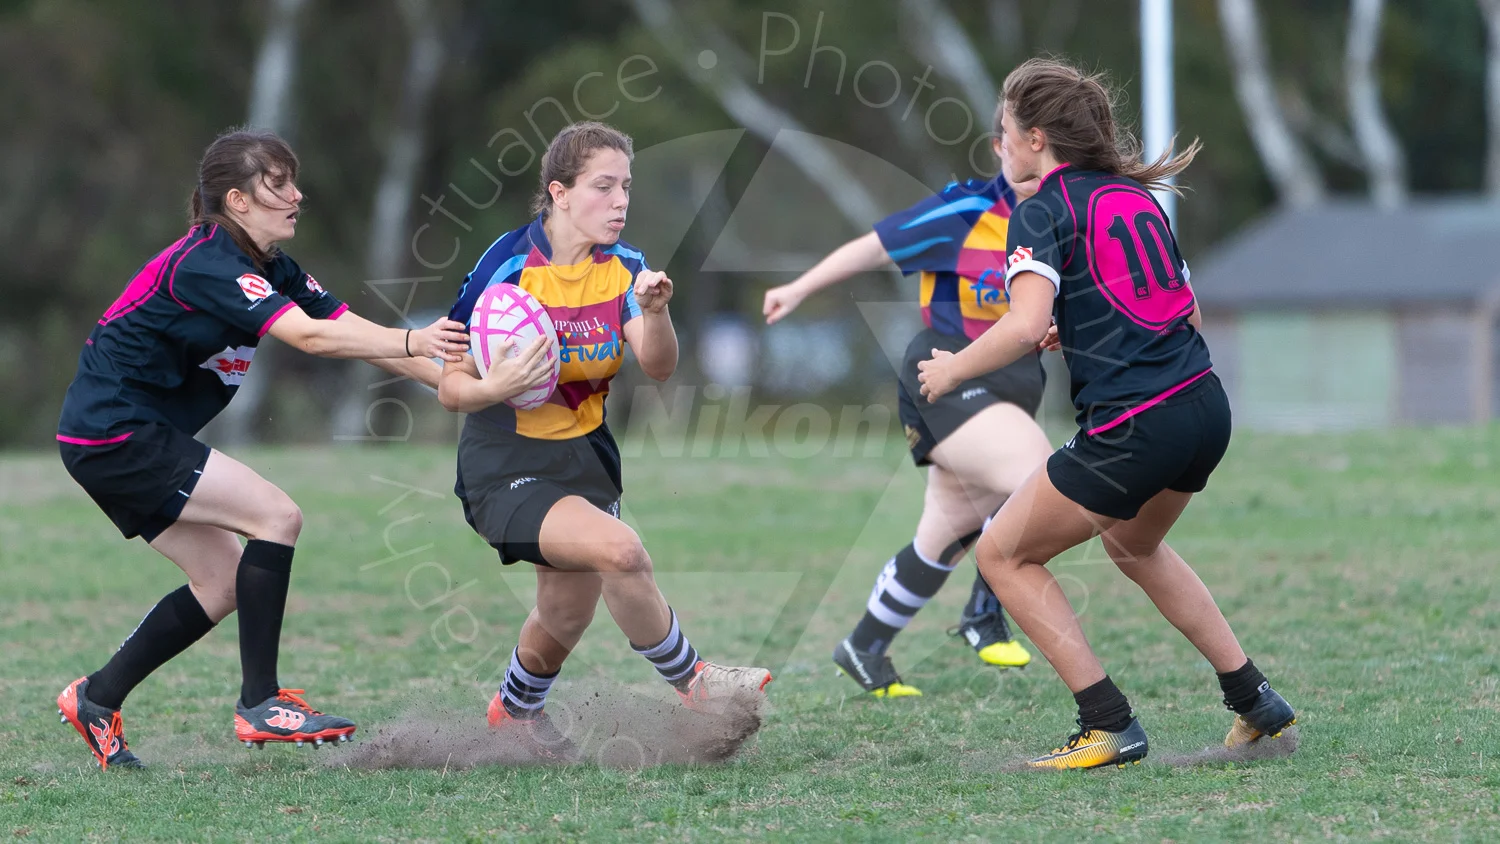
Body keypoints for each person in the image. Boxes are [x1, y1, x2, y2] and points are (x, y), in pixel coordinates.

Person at [917, 58, 1297, 769]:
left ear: (1034, 138)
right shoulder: (1134, 198)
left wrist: (952, 367)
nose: (998, 149)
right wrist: (1087, 326)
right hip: (1204, 407)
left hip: (1137, 424)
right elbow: (1181, 309)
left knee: (1004, 555)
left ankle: (1107, 722)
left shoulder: (1040, 209)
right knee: (1134, 545)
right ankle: (1255, 699)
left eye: (1003, 134)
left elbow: (1025, 327)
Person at [54, 128, 470, 771]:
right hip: (115, 430)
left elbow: (347, 329)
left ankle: (97, 698)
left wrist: (462, 384)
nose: (297, 195)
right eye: (279, 184)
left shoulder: (270, 264)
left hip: (117, 434)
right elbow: (309, 339)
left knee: (220, 583)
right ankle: (261, 703)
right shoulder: (208, 262)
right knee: (276, 516)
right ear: (237, 201)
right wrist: (415, 342)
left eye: (294, 181)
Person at [439, 122, 771, 759]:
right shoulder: (505, 267)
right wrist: (497, 383)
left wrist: (655, 311)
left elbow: (658, 365)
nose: (620, 201)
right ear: (559, 193)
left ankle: (513, 714)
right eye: (603, 186)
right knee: (620, 552)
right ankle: (697, 683)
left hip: (586, 457)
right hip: (504, 460)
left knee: (566, 611)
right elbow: (449, 388)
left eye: (626, 187)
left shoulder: (627, 269)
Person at [761, 158, 1050, 698]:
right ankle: (984, 612)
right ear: (1001, 148)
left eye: (1048, 147)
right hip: (947, 375)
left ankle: (864, 647)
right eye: (1021, 144)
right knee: (1041, 475)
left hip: (1018, 385)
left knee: (947, 532)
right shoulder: (966, 211)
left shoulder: (1063, 218)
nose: (1034, 161)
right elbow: (874, 246)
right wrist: (799, 288)